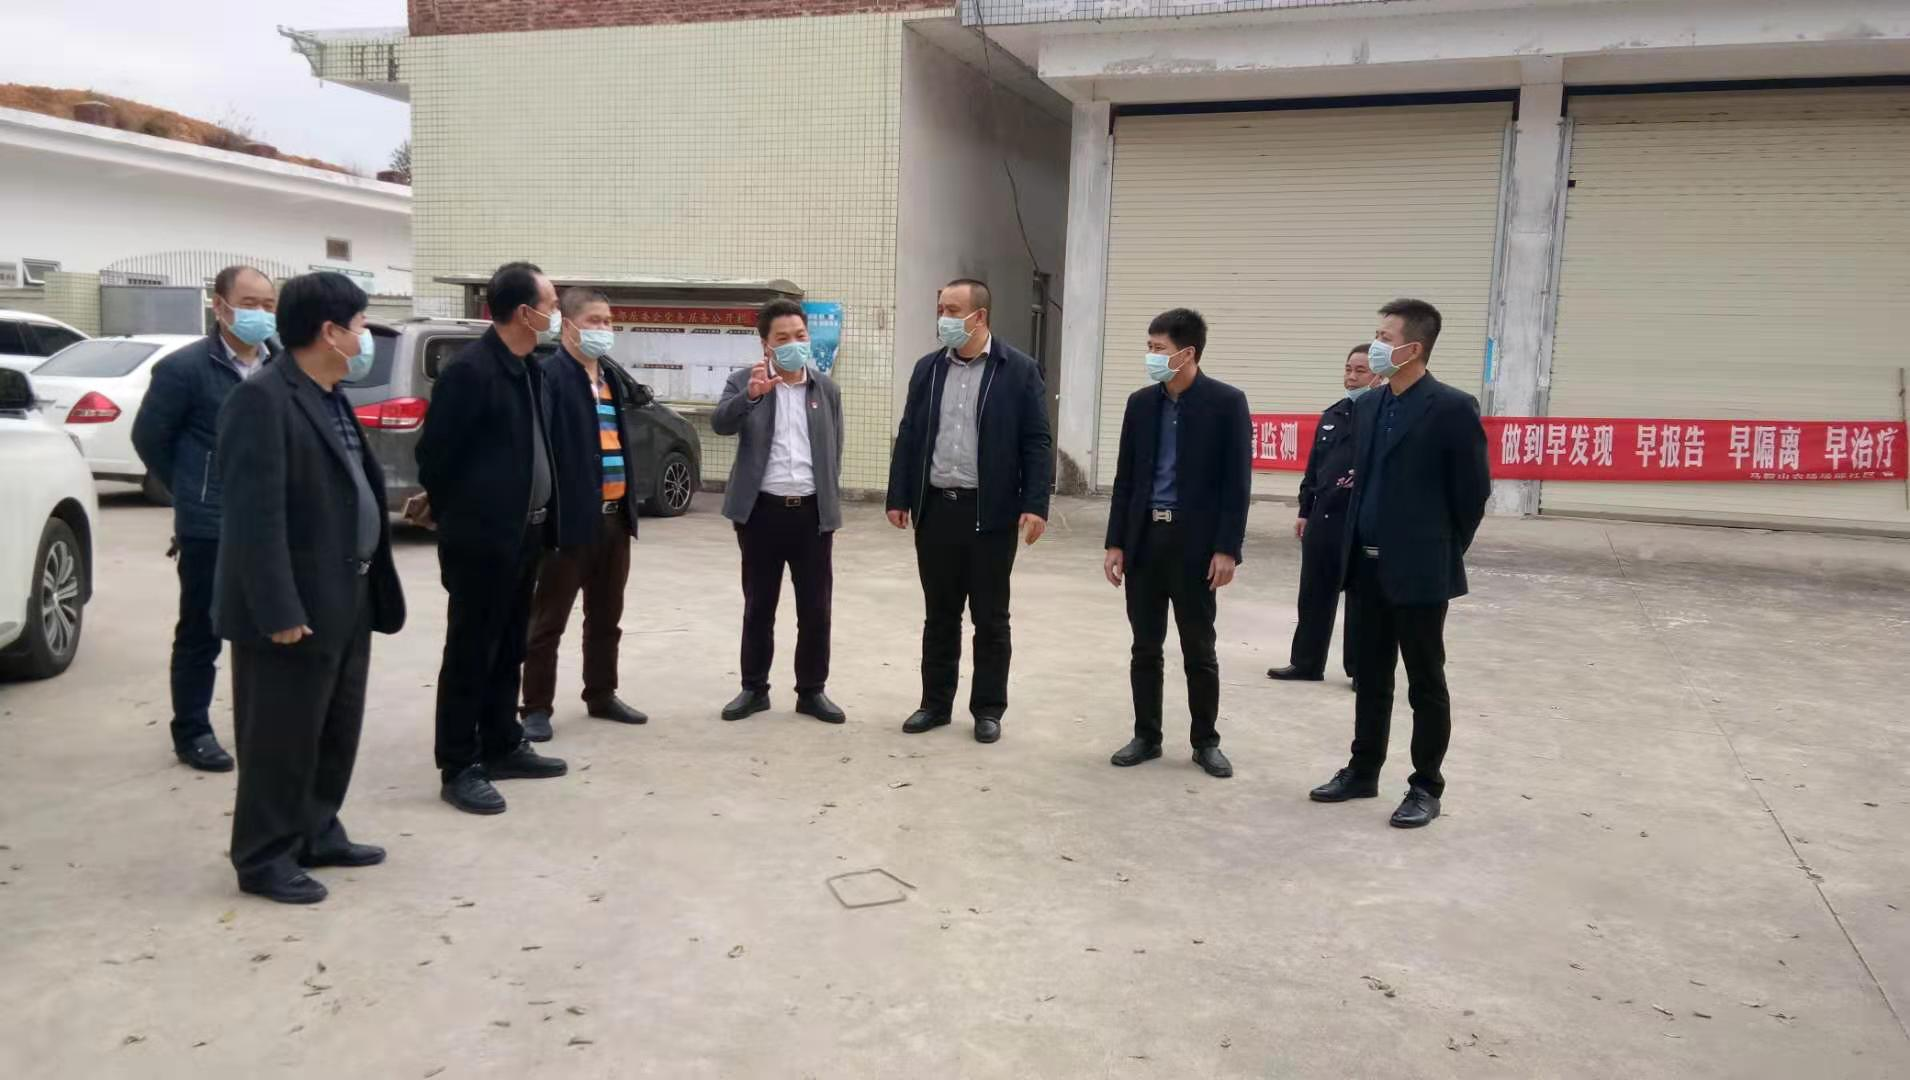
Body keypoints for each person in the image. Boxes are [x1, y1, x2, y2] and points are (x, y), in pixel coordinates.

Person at [214, 271, 405, 903]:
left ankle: (317, 829)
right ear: (329, 332)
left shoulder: (329, 394)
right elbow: (253, 518)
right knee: (280, 735)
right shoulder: (263, 400)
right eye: (360, 326)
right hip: (293, 604)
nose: (364, 339)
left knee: (333, 726)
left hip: (346, 592)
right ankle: (263, 856)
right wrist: (277, 607)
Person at [1309, 299, 1489, 829]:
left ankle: (1426, 786)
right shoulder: (1369, 406)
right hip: (1364, 566)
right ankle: (1363, 769)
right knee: (1371, 677)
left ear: (1413, 348)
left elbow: (1471, 494)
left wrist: (1439, 550)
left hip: (1419, 570)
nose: (1376, 345)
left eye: (1385, 337)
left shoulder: (1451, 408)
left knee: (1425, 681)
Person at [415, 261, 568, 815]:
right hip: (483, 541)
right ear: (524, 312)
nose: (557, 314)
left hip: (525, 535)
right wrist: (467, 519)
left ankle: (502, 743)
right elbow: (435, 459)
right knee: (470, 652)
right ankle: (458, 764)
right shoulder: (471, 372)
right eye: (551, 305)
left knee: (508, 647)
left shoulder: (530, 369)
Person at [885, 278, 1052, 745]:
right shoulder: (928, 369)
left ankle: (988, 709)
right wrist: (899, 495)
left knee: (990, 618)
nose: (944, 318)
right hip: (937, 509)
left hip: (990, 514)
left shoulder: (1017, 370)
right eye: (940, 308)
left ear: (979, 317)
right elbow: (910, 433)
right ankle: (934, 704)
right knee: (939, 615)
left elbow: (1037, 441)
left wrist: (1035, 504)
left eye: (953, 310)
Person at [131, 265, 279, 773]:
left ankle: (263, 722)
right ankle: (192, 729)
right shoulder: (184, 369)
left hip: (270, 521)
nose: (260, 314)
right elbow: (149, 439)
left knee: (271, 623)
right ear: (220, 306)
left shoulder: (280, 364)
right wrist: (192, 488)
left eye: (269, 305)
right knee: (202, 628)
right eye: (250, 304)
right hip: (209, 524)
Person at [1102, 309, 1251, 779]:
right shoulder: (1140, 404)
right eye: (1148, 347)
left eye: (1158, 349)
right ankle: (1146, 736)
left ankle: (1206, 741)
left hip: (1195, 546)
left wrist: (1227, 548)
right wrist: (1115, 543)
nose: (1150, 356)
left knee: (1198, 649)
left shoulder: (1226, 403)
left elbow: (1236, 484)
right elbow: (1125, 479)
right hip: (1146, 540)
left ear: (1187, 353)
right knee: (1145, 646)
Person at [518, 288, 647, 742]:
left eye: (608, 321)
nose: (604, 329)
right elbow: (541, 448)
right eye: (594, 321)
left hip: (615, 519)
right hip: (569, 521)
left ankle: (602, 693)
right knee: (548, 620)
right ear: (569, 325)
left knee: (607, 616)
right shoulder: (550, 376)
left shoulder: (608, 377)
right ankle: (536, 706)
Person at [710, 298, 846, 725]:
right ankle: (754, 689)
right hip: (761, 513)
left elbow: (835, 450)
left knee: (816, 609)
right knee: (759, 606)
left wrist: (827, 504)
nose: (794, 344)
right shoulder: (744, 381)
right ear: (766, 345)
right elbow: (721, 423)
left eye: (800, 336)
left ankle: (812, 691)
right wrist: (750, 396)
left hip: (811, 515)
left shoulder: (825, 389)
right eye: (783, 338)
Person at [1269, 345, 1380, 688]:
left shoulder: (1381, 416)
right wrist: (1305, 510)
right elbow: (1314, 467)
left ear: (1377, 376)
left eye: (1360, 370)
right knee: (1314, 592)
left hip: (1360, 520)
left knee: (1361, 598)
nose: (1351, 376)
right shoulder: (1333, 415)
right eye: (1348, 369)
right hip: (1324, 517)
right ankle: (1306, 663)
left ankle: (1361, 670)